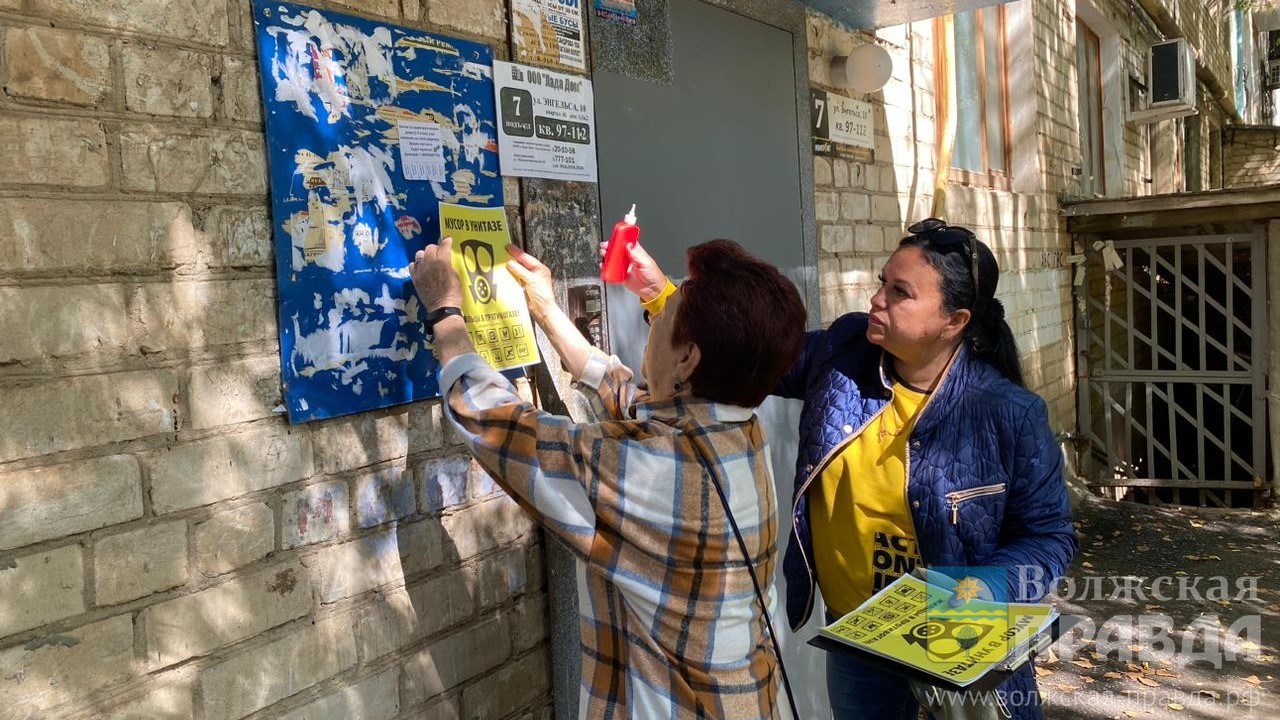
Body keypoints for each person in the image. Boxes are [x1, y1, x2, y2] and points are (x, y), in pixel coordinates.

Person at [611, 219, 1078, 720]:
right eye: (882, 282)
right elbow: (744, 354)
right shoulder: (843, 351)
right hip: (860, 636)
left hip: (957, 636)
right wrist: (664, 296)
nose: (876, 299)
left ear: (954, 321)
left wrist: (983, 588)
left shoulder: (1008, 412)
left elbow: (1049, 536)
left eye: (900, 293)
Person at [410, 237, 807, 719]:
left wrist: (445, 311)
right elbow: (624, 391)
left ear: (687, 361)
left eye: (664, 315)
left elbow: (497, 423)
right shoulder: (737, 431)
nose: (654, 319)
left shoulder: (653, 469)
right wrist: (546, 308)